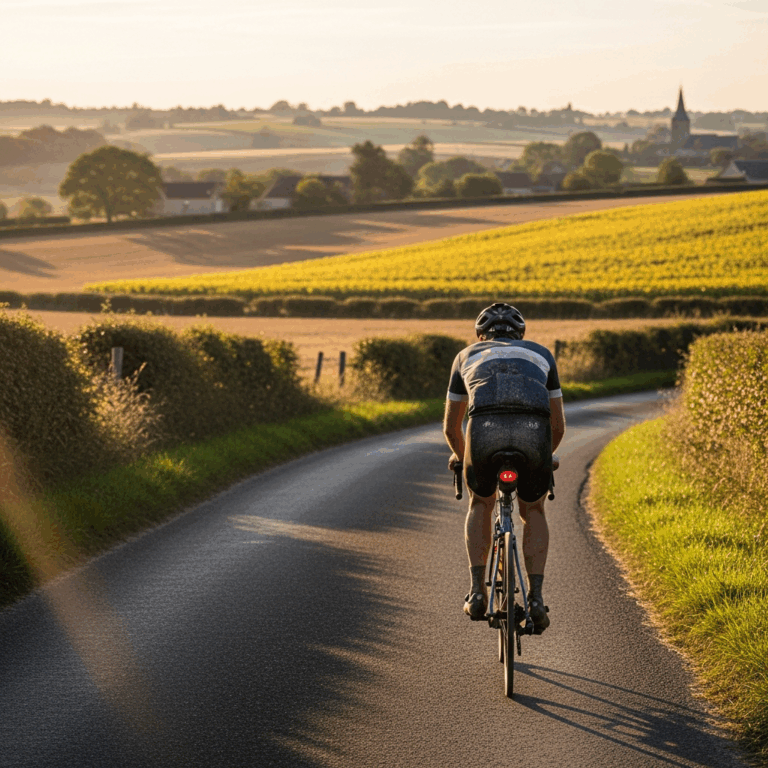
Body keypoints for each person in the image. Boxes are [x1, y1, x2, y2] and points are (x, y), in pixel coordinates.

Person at [443, 303, 566, 633]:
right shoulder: (542, 354)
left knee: (480, 503)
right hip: (533, 434)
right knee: (533, 509)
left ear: (480, 335)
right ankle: (536, 599)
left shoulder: (465, 356)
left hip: (483, 435)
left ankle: (476, 593)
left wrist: (463, 457)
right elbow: (557, 425)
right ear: (520, 334)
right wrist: (546, 455)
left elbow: (452, 428)